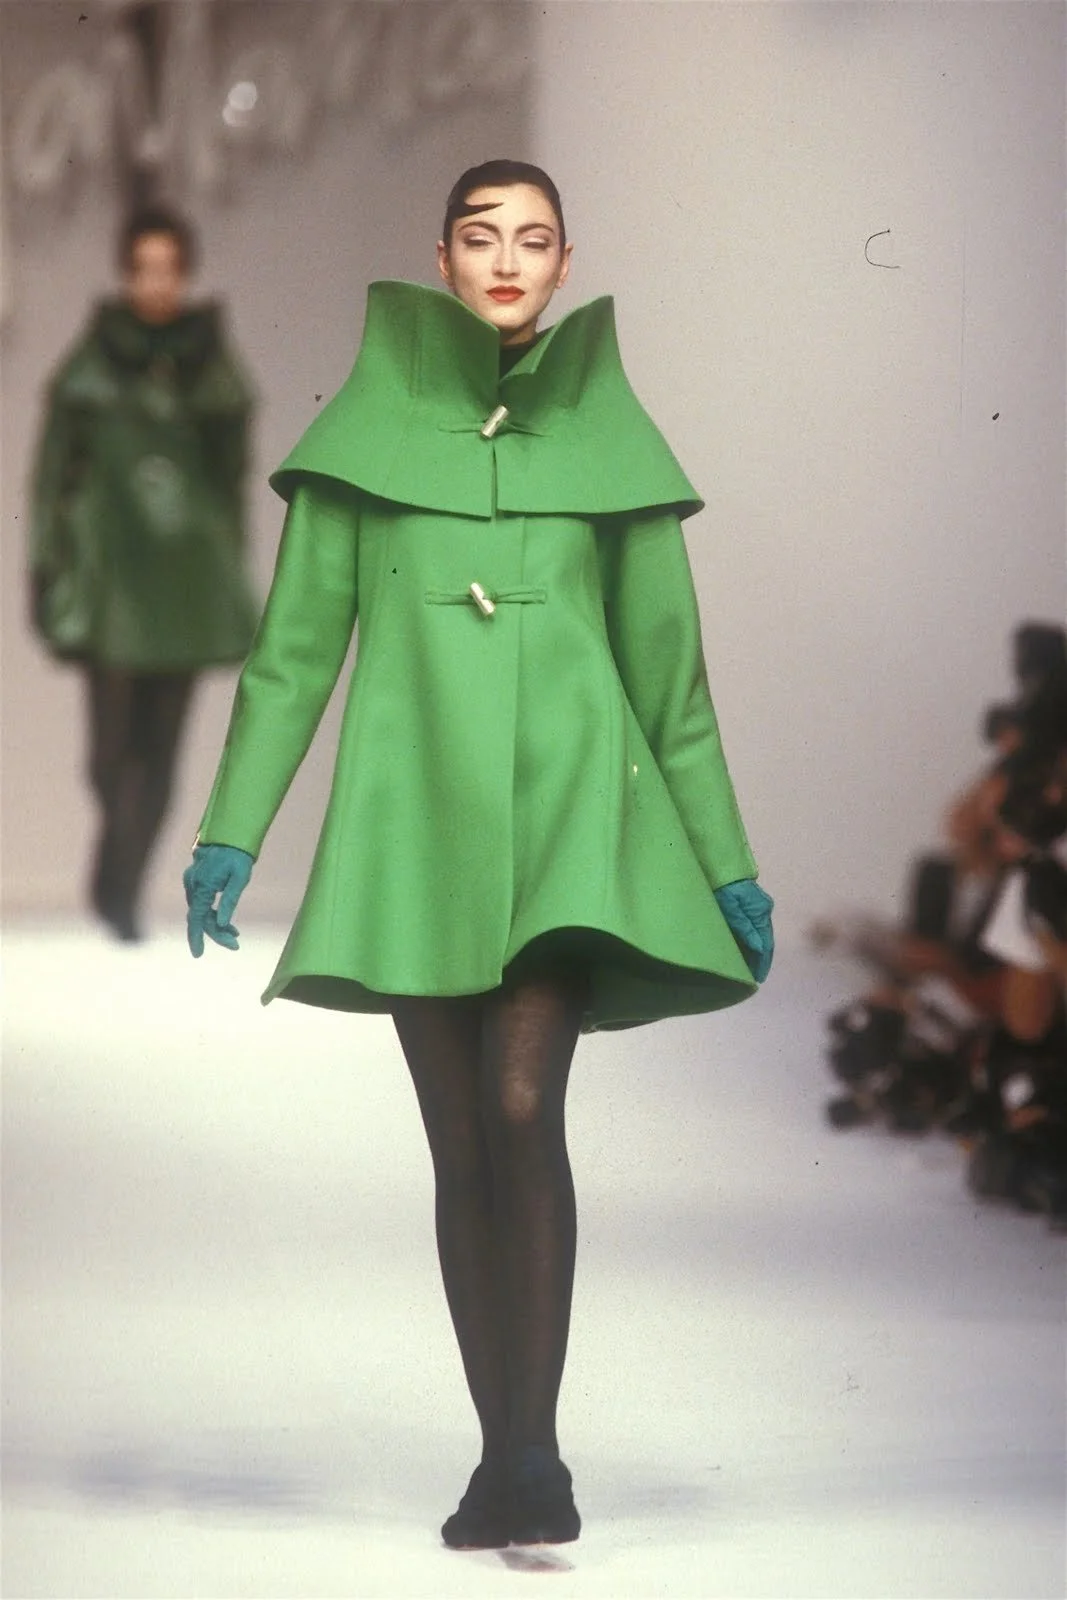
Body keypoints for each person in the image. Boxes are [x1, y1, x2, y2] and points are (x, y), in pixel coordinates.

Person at [183, 160, 773, 1550]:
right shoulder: (363, 433)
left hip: (572, 814)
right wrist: (230, 829)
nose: (506, 260)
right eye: (480, 236)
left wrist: (724, 859)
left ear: (567, 263)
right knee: (460, 1143)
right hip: (416, 823)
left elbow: (670, 678)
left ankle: (532, 1454)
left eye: (533, 239)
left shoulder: (609, 435)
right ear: (439, 256)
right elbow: (292, 654)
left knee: (518, 1111)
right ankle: (500, 1453)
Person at [27, 204, 258, 941]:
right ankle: (114, 870)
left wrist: (229, 574)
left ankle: (122, 892)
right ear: (125, 273)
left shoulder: (210, 365)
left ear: (186, 275)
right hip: (113, 579)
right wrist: (45, 566)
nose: (158, 283)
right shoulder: (90, 367)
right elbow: (50, 478)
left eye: (170, 269)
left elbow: (231, 483)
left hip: (186, 581)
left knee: (159, 751)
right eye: (145, 269)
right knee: (107, 756)